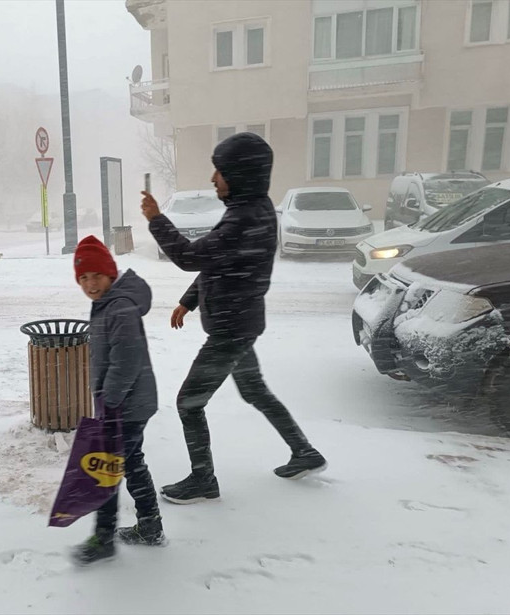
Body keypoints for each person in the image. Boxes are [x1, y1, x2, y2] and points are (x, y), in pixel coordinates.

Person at [140, 132, 327, 505]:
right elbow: (217, 263)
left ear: (239, 175)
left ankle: (203, 480)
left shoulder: (244, 218)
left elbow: (191, 257)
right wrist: (188, 301)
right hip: (241, 325)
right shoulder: (252, 210)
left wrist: (157, 220)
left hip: (230, 331)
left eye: (220, 171)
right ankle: (304, 452)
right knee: (255, 391)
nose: (213, 179)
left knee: (189, 403)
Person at [70, 235, 165, 565]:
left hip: (126, 405)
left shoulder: (119, 307)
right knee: (131, 462)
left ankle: (104, 538)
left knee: (106, 470)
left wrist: (109, 404)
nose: (90, 284)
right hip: (128, 402)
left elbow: (126, 362)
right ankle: (150, 526)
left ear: (110, 273)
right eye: (83, 278)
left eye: (96, 275)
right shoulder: (108, 303)